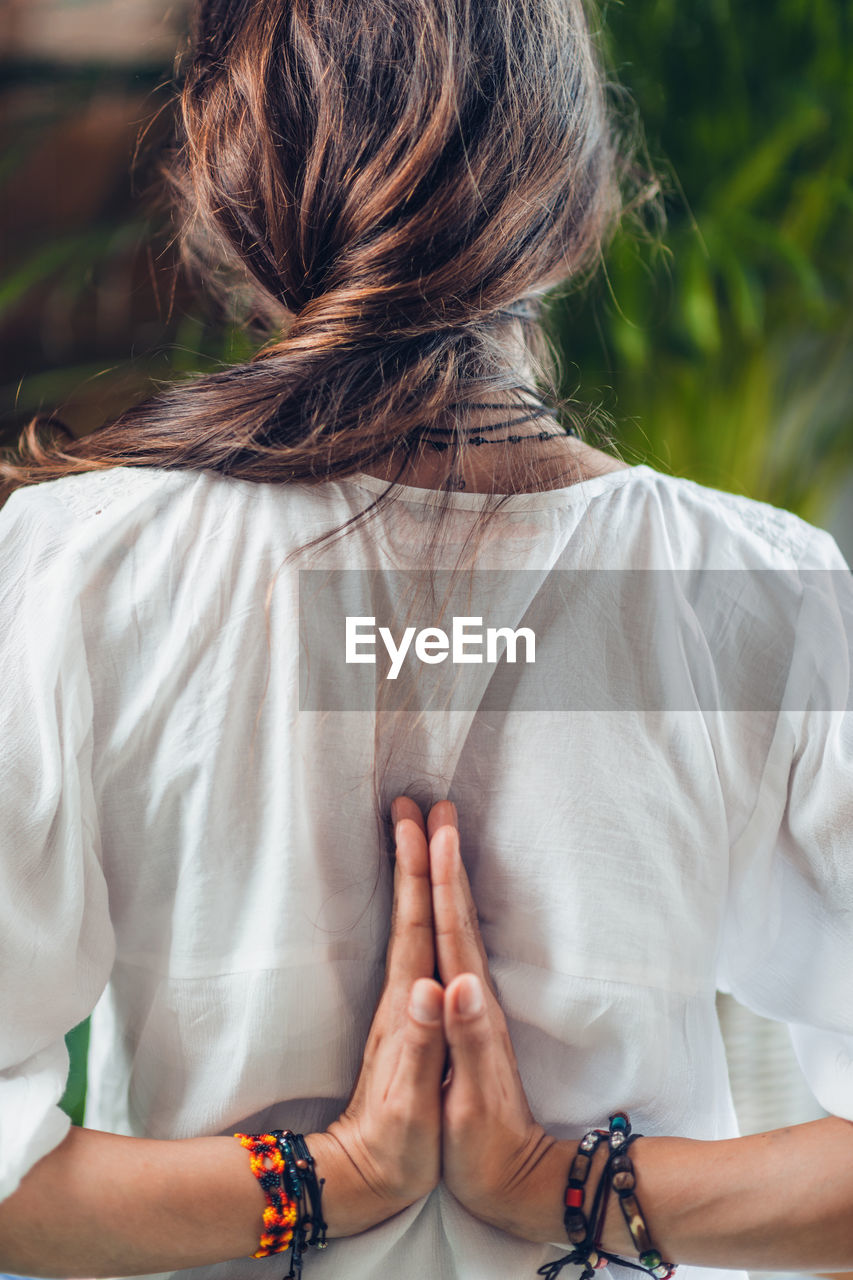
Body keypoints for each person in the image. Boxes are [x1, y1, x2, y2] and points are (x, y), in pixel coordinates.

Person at [0, 2, 851, 1280]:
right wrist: (559, 1186)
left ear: (232, 200)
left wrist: (328, 1180)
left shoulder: (81, 570)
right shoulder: (754, 589)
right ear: (572, 198)